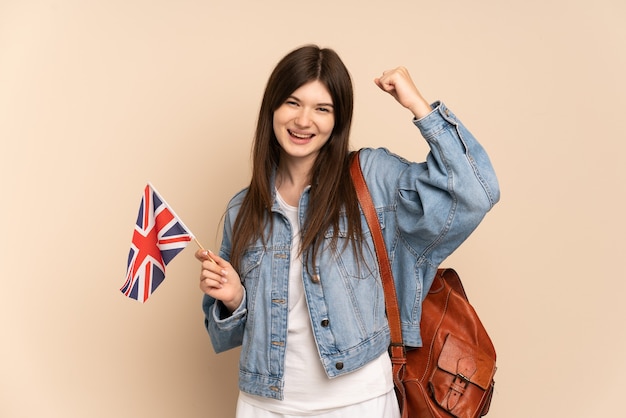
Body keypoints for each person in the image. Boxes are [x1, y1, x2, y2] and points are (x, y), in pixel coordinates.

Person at [195, 44, 500, 418]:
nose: (304, 120)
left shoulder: (371, 177)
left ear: (338, 120)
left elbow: (473, 192)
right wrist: (233, 298)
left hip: (356, 404)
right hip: (264, 406)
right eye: (293, 103)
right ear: (272, 109)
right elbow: (226, 336)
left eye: (322, 109)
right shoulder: (242, 209)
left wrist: (418, 106)